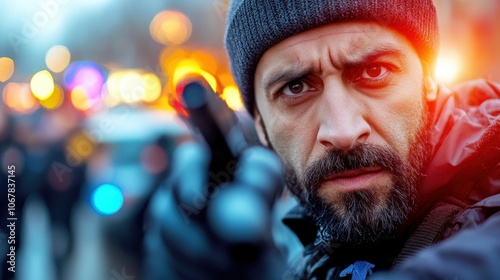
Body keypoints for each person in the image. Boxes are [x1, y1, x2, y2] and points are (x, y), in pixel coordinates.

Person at [144, 0, 500, 279]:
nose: (343, 132)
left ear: (428, 82)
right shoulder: (291, 246)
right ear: (260, 124)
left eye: (374, 72)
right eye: (295, 87)